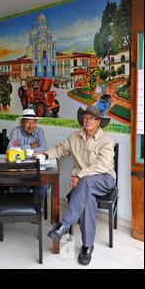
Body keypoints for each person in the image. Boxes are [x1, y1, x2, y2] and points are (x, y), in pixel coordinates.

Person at [36, 106, 116, 266]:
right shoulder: (75, 137)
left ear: (98, 122)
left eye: (92, 118)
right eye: (86, 117)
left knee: (86, 182)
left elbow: (103, 165)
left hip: (104, 179)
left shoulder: (106, 140)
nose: (87, 120)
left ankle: (64, 224)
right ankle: (87, 247)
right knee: (88, 202)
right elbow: (60, 149)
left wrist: (79, 175)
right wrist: (45, 154)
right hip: (85, 186)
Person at [8, 108, 48, 194]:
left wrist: (20, 148)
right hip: (20, 169)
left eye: (33, 123)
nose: (31, 126)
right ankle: (28, 199)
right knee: (17, 184)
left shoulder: (39, 131)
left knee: (44, 183)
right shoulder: (16, 131)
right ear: (22, 123)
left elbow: (44, 148)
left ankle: (36, 204)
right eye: (27, 123)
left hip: (36, 168)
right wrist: (31, 146)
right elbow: (10, 149)